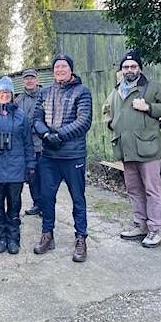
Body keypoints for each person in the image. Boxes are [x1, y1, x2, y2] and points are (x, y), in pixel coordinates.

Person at [103, 50, 161, 248]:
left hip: (149, 148)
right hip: (126, 149)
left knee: (152, 190)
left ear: (140, 68)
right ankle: (140, 225)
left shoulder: (152, 88)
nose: (129, 70)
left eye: (133, 66)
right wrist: (111, 124)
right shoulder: (116, 91)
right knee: (134, 189)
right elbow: (106, 111)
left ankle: (155, 229)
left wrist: (149, 108)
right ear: (122, 70)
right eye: (126, 67)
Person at [32, 54, 92, 262]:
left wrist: (59, 135)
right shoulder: (45, 92)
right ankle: (47, 234)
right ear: (53, 71)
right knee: (46, 197)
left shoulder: (82, 92)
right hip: (49, 155)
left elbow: (83, 121)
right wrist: (46, 135)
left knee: (78, 198)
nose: (60, 70)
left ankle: (81, 238)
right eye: (56, 67)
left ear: (71, 69)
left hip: (73, 154)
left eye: (64, 66)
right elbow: (36, 119)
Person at [0, 77, 35, 255]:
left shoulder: (21, 116)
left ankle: (13, 238)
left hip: (15, 168)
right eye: (1, 93)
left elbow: (28, 143)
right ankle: (0, 237)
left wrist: (30, 165)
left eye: (7, 93)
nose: (5, 96)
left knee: (14, 204)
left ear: (12, 95)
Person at [15, 68, 43, 216]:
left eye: (32, 78)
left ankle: (47, 205)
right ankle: (37, 203)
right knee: (31, 177)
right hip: (26, 146)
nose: (29, 81)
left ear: (37, 80)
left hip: (43, 144)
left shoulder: (45, 96)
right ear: (23, 81)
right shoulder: (18, 100)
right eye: (26, 78)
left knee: (45, 177)